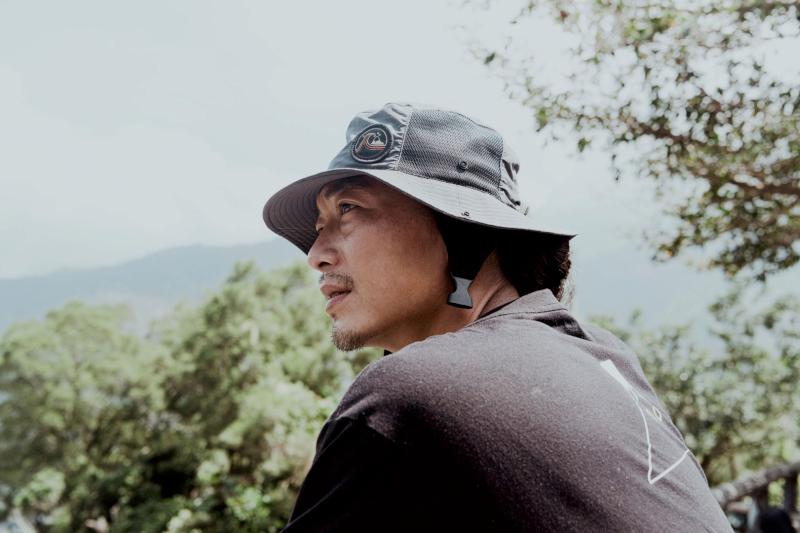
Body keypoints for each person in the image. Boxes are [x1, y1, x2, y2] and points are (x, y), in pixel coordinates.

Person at [262, 102, 733, 532]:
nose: (316, 255)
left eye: (348, 209)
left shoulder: (407, 394)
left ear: (463, 231)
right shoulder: (606, 358)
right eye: (319, 227)